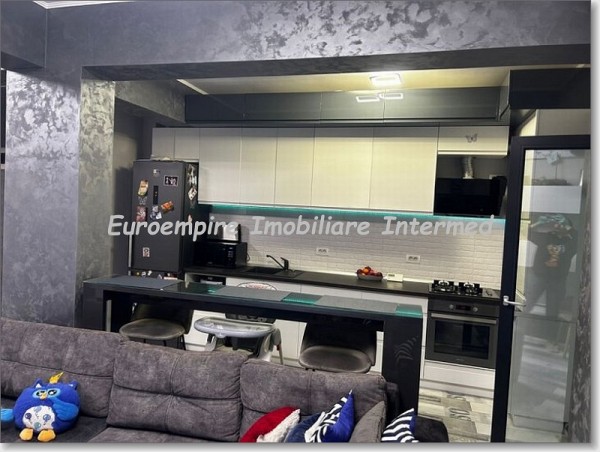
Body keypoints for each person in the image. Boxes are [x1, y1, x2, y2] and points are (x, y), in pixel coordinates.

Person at [524, 214, 578, 320]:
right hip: (539, 276)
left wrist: (567, 227)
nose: (557, 225)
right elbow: (526, 233)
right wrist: (539, 223)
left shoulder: (571, 241)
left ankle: (549, 328)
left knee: (553, 310)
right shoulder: (548, 236)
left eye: (561, 223)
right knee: (527, 303)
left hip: (557, 279)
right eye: (556, 223)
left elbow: (580, 238)